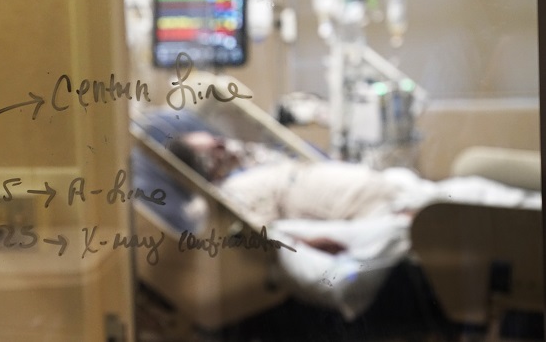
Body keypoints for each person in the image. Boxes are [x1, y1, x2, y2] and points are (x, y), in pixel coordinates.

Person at [167, 131, 540, 229]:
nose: (224, 145)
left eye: (217, 139)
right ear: (205, 167)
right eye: (213, 148)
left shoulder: (259, 165)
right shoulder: (231, 193)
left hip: (391, 188)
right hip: (378, 210)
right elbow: (262, 236)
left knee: (474, 189)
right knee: (478, 210)